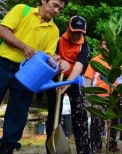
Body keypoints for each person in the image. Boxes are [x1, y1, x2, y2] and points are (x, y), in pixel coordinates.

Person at [0, 0, 69, 154]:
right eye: (54, 5)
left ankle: (7, 149)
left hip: (28, 74)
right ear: (43, 0)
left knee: (18, 114)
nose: (56, 11)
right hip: (1, 65)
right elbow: (3, 30)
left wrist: (55, 59)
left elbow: (47, 55)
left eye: (60, 9)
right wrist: (24, 47)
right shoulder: (22, 10)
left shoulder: (54, 30)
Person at [45, 15, 91, 154]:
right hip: (56, 79)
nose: (76, 35)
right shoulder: (58, 40)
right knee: (54, 115)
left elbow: (79, 66)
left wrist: (67, 84)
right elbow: (50, 57)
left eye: (80, 33)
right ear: (67, 29)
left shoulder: (85, 46)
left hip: (74, 80)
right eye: (73, 31)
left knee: (80, 115)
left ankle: (83, 150)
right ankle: (51, 149)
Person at [84, 39, 120, 153]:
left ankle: (112, 145)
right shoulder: (95, 61)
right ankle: (96, 146)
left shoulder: (116, 61)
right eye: (105, 43)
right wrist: (88, 94)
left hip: (114, 96)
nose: (107, 46)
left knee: (113, 123)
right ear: (100, 46)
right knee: (96, 123)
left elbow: (121, 79)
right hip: (99, 96)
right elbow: (88, 78)